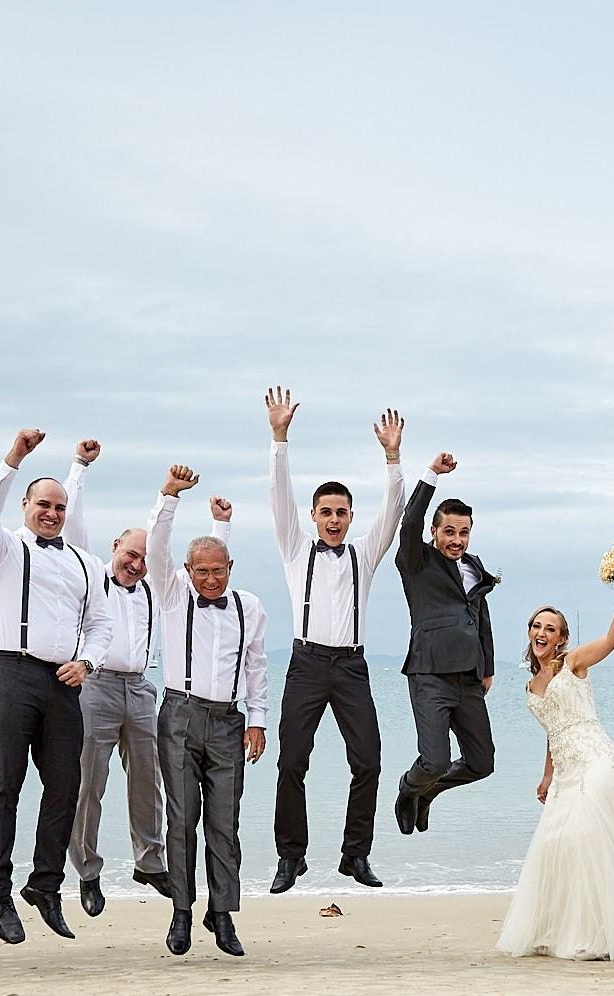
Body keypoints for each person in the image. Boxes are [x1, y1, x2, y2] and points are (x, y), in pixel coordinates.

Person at [63, 439, 231, 915]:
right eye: (129, 554)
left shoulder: (158, 589)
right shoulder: (92, 574)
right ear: (114, 549)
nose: (136, 563)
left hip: (140, 689)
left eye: (142, 557)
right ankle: (88, 871)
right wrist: (80, 467)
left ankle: (150, 861)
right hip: (94, 687)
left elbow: (211, 571)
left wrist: (220, 522)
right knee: (88, 784)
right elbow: (73, 520)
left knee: (148, 780)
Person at [0, 430, 115, 944]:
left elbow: (100, 622)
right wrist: (13, 458)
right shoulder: (2, 547)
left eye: (59, 507)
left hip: (62, 683)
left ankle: (46, 886)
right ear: (26, 506)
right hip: (7, 672)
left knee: (64, 787)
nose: (51, 513)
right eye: (43, 505)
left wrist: (89, 662)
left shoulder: (84, 562)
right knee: (3, 783)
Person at [263, 387, 406, 892]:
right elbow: (279, 498)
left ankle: (355, 854)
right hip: (304, 665)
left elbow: (393, 513)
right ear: (314, 517)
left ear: (349, 517)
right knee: (291, 762)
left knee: (369, 759)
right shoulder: (293, 548)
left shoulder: (364, 555)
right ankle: (290, 857)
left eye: (341, 512)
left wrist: (393, 458)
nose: (333, 519)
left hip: (350, 668)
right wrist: (279, 438)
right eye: (325, 512)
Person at [146, 465, 270, 957]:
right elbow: (156, 549)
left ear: (230, 567)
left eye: (219, 569)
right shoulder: (173, 595)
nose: (212, 578)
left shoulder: (250, 607)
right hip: (179, 714)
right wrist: (169, 496)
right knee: (181, 820)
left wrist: (258, 718)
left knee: (225, 821)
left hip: (228, 721)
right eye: (203, 571)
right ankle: (180, 912)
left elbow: (257, 665)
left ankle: (222, 914)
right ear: (188, 572)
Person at [497, 586, 614, 961]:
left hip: (597, 759)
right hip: (565, 768)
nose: (542, 633)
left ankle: (601, 932)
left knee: (589, 836)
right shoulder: (530, 685)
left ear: (562, 638)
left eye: (550, 629)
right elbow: (554, 730)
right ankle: (563, 927)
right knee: (557, 844)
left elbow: (612, 641)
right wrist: (546, 775)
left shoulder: (574, 663)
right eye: (537, 626)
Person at [393, 452, 497, 836]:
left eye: (463, 532)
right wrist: (431, 475)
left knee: (481, 763)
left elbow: (480, 617)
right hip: (430, 674)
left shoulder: (474, 565)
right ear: (435, 532)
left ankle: (429, 793)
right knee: (433, 760)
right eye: (449, 531)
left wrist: (487, 668)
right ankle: (409, 790)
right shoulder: (417, 562)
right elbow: (410, 522)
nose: (457, 540)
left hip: (469, 679)